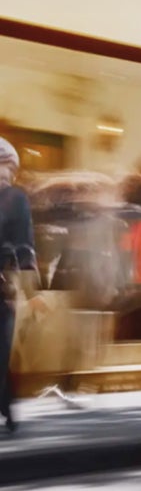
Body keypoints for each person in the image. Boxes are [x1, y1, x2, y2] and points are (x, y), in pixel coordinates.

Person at [0, 138, 39, 433]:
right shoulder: (15, 198)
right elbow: (25, 248)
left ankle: (8, 408)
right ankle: (7, 408)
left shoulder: (15, 198)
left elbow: (25, 248)